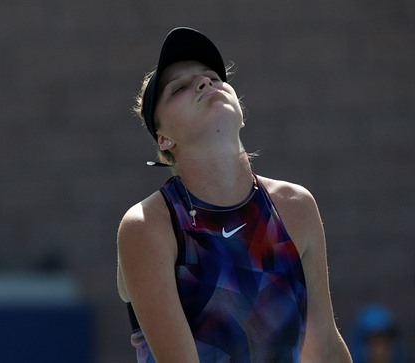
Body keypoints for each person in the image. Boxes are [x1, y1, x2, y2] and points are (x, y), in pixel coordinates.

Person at [116, 27, 352, 363]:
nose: (205, 83)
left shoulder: (296, 206)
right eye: (179, 87)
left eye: (212, 77)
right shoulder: (147, 226)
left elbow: (325, 348)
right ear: (164, 139)